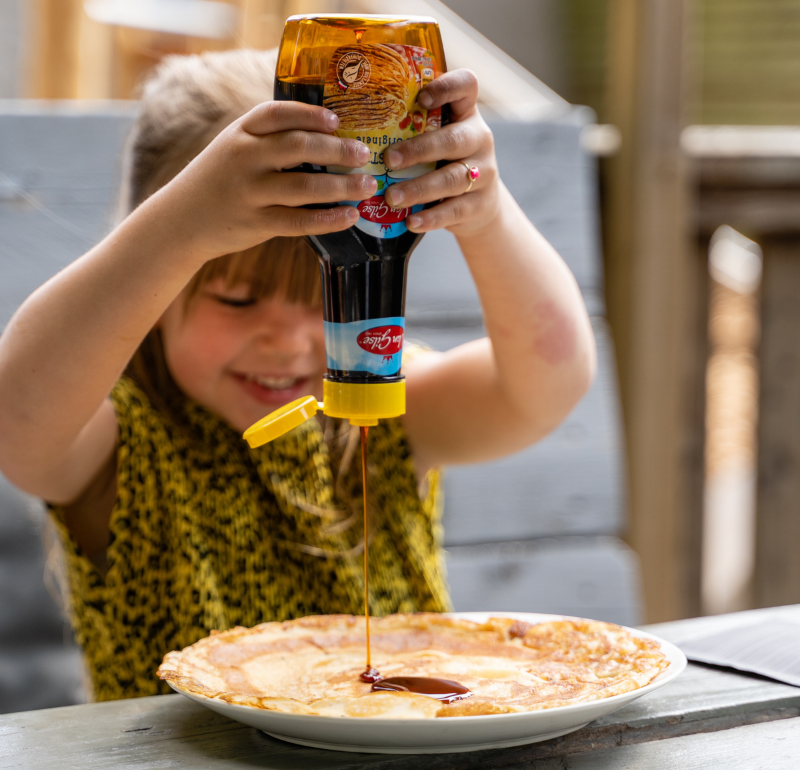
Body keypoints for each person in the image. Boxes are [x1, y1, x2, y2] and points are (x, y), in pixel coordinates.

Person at [0, 49, 595, 701]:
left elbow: (550, 379)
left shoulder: (377, 400)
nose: (285, 341)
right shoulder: (123, 446)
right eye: (237, 299)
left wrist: (487, 214)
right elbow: (19, 418)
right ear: (158, 281)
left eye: (324, 296)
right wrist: (180, 226)